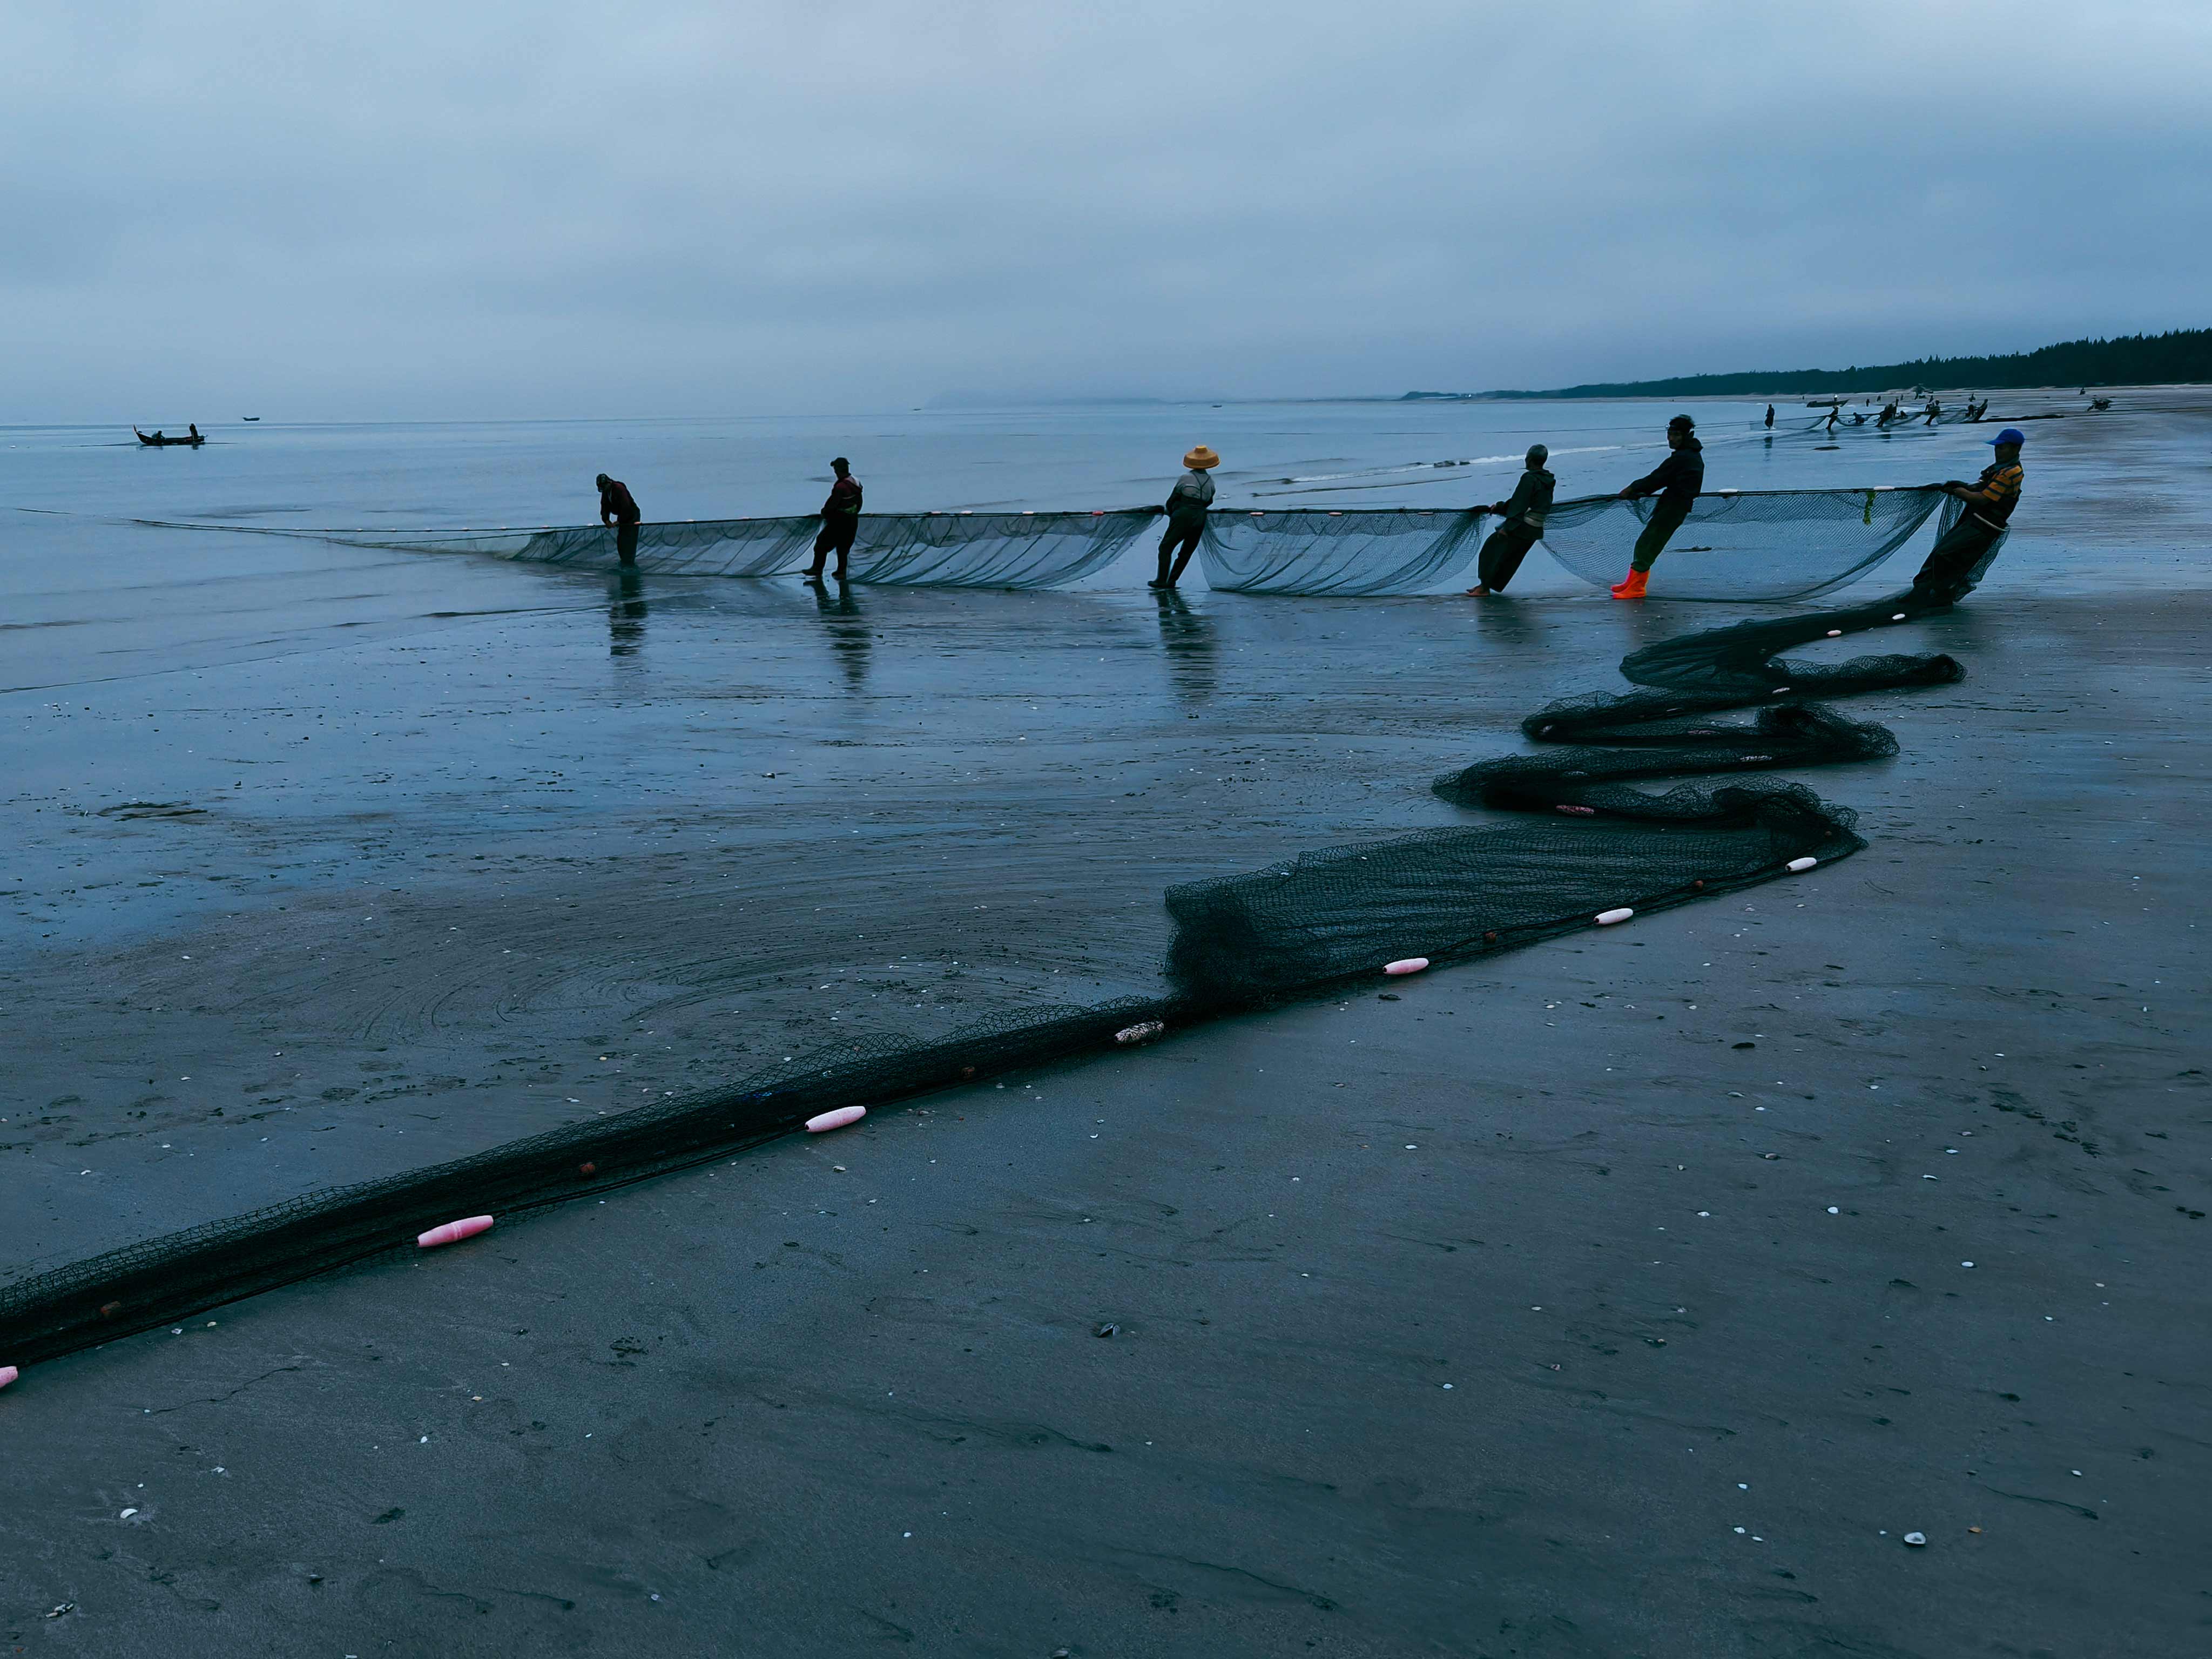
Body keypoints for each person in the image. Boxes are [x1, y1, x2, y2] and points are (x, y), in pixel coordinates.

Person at [1911, 428, 2023, 605]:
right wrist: (1962, 486)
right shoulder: (1999, 469)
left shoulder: (2012, 472)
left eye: (2003, 448)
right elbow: (1980, 488)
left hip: (1986, 526)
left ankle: (1933, 595)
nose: (1998, 451)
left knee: (1946, 554)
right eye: (1997, 448)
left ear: (2016, 449)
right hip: (1975, 520)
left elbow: (1983, 499)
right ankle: (1928, 592)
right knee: (1944, 553)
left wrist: (1959, 491)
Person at [1609, 415, 1703, 599]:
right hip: (1671, 505)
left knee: (1648, 545)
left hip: (1675, 508)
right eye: (1670, 434)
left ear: (1687, 435)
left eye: (1676, 435)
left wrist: (1632, 488)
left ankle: (1637, 588)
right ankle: (1632, 582)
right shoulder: (1686, 455)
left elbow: (1657, 478)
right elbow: (1662, 479)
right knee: (1646, 542)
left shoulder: (1684, 457)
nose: (1671, 439)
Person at [1465, 444, 1555, 596]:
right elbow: (1524, 502)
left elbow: (1520, 505)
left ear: (1529, 460)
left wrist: (1507, 528)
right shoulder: (1548, 480)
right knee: (1509, 559)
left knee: (1491, 551)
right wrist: (1500, 507)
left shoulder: (1529, 478)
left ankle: (1484, 588)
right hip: (1535, 530)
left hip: (1522, 527)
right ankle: (1484, 586)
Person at [1152, 446, 1218, 589]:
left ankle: (1161, 580)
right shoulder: (1210, 481)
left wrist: (1171, 513)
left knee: (1166, 547)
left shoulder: (1186, 477)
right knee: (1186, 551)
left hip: (1184, 515)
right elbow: (1209, 501)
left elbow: (1172, 499)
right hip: (1201, 516)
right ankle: (1172, 581)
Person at [805, 457, 862, 582]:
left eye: (835, 469)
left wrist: (824, 513)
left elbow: (831, 506)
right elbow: (859, 504)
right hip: (852, 521)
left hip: (839, 522)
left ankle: (817, 569)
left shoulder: (841, 487)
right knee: (843, 548)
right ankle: (841, 572)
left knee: (821, 543)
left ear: (838, 470)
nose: (835, 472)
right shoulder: (856, 482)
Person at [596, 472, 642, 566]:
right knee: (621, 540)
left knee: (630, 539)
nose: (603, 488)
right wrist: (606, 520)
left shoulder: (619, 489)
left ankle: (630, 562)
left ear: (609, 483)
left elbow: (626, 506)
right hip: (622, 517)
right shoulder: (606, 492)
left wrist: (619, 521)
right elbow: (604, 507)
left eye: (604, 486)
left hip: (632, 515)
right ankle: (624, 561)